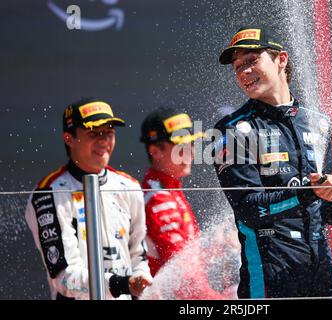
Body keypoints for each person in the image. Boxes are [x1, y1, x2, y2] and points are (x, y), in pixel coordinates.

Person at [213, 26, 332, 298]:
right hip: (270, 270)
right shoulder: (230, 131)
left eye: (252, 61)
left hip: (320, 267)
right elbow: (248, 210)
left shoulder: (318, 123)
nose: (244, 72)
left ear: (281, 60)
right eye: (238, 67)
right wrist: (309, 193)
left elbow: (327, 214)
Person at [25, 97, 152, 300]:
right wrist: (120, 284)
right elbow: (64, 278)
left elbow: (139, 255)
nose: (103, 141)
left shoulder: (128, 186)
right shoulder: (49, 193)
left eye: (109, 133)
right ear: (69, 138)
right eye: (94, 133)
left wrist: (140, 278)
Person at [139, 109, 222, 299]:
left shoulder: (169, 189)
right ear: (155, 151)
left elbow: (187, 258)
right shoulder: (159, 199)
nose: (192, 152)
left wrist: (217, 247)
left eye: (192, 143)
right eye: (181, 146)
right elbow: (184, 276)